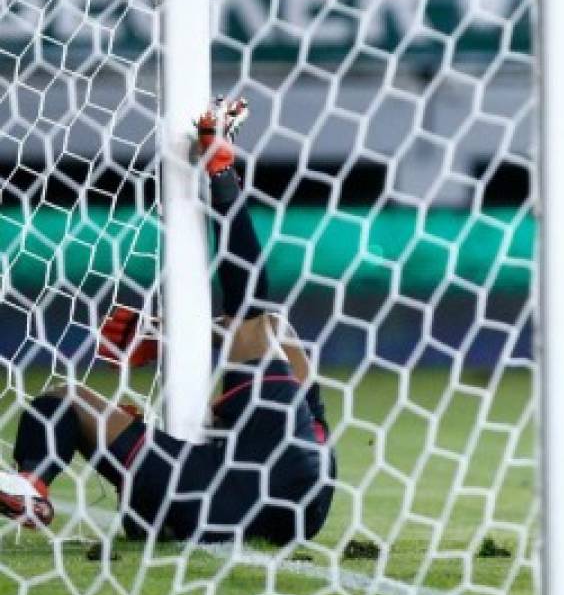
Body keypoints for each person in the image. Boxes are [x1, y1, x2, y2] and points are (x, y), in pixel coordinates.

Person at [0, 99, 336, 544]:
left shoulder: (274, 365)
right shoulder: (292, 397)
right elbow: (254, 321)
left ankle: (33, 485)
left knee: (61, 402)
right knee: (256, 322)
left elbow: (251, 314)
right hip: (296, 508)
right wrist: (167, 337)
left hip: (203, 494)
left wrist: (166, 335)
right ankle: (221, 169)